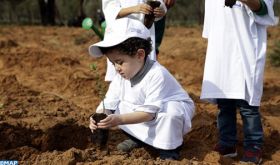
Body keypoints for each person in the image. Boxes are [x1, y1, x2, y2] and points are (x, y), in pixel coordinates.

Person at [88, 18, 195, 160]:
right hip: (147, 111)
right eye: (113, 63)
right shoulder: (121, 76)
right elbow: (109, 103)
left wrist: (119, 120)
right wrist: (100, 116)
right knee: (118, 106)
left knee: (171, 114)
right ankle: (139, 139)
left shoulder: (157, 74)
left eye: (120, 62)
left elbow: (148, 114)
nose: (116, 68)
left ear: (140, 55)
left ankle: (170, 150)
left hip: (167, 111)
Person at [201, 0, 277, 164]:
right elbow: (212, 22)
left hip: (246, 49)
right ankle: (227, 143)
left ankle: (253, 146)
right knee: (224, 100)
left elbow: (263, 9)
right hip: (221, 48)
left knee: (247, 104)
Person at [102, 0, 167, 81]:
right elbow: (110, 10)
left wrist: (161, 11)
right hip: (121, 34)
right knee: (121, 74)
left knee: (146, 75)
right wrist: (135, 9)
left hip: (144, 33)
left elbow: (159, 4)